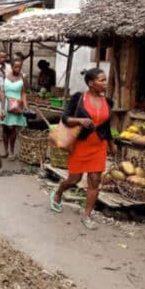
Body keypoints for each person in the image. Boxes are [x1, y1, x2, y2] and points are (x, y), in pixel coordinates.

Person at [51, 68, 115, 230]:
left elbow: (106, 126)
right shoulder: (79, 97)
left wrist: (112, 144)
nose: (105, 83)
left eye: (105, 79)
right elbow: (65, 118)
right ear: (91, 83)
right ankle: (58, 192)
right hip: (80, 145)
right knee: (74, 179)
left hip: (99, 146)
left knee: (94, 181)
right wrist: (80, 120)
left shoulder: (108, 101)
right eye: (102, 80)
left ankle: (87, 215)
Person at [1, 58, 28, 160]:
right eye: (16, 67)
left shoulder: (23, 78)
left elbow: (24, 93)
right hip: (5, 104)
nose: (18, 69)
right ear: (12, 67)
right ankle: (5, 150)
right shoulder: (5, 77)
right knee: (4, 128)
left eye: (19, 67)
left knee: (12, 128)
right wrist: (2, 107)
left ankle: (12, 151)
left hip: (16, 105)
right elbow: (2, 91)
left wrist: (25, 106)